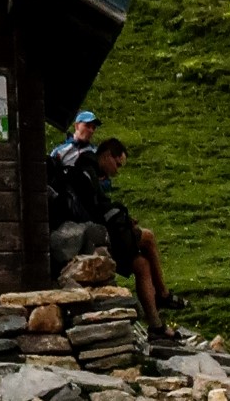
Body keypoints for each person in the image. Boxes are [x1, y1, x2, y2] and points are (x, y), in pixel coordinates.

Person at [60, 138, 187, 339]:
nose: (117, 171)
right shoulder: (86, 171)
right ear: (108, 155)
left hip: (101, 233)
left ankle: (155, 326)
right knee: (148, 237)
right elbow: (96, 211)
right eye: (117, 164)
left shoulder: (91, 171)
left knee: (142, 265)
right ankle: (163, 294)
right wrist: (125, 221)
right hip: (98, 236)